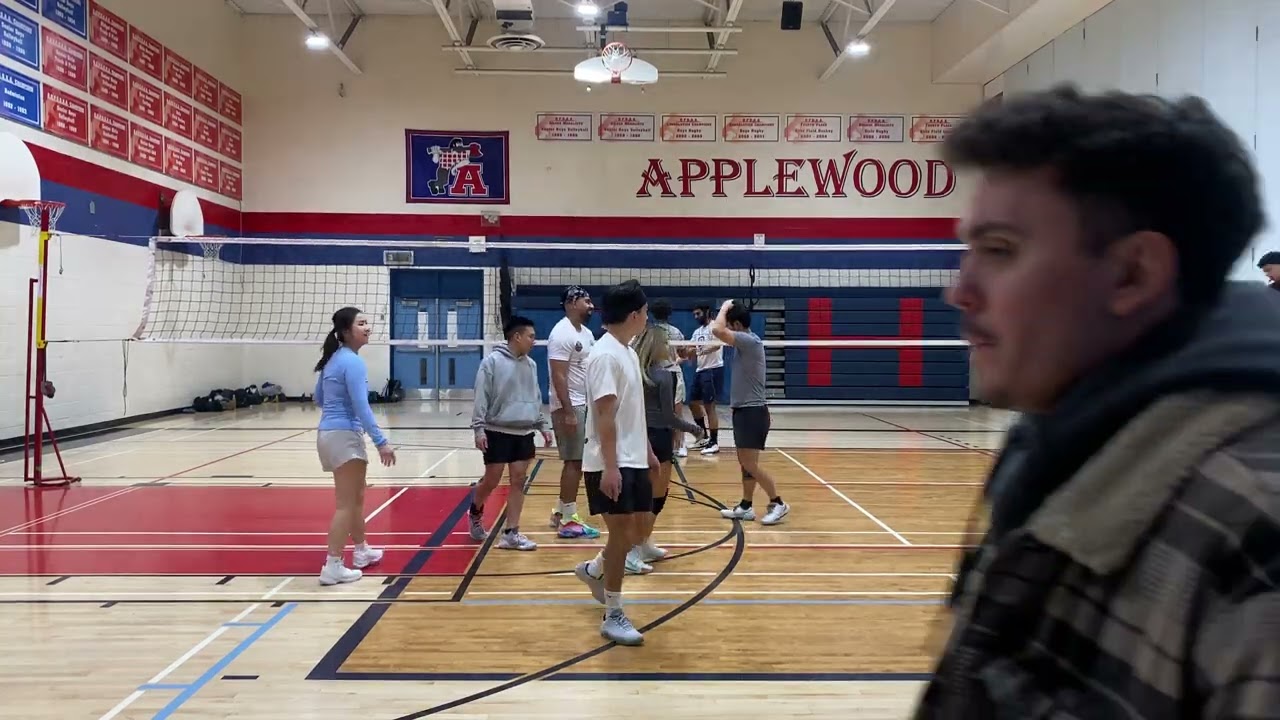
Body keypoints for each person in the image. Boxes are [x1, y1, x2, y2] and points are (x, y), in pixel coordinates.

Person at [915, 85, 1280, 717]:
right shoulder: (1064, 443)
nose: (961, 290)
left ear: (1133, 274)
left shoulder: (1255, 528)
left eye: (1000, 250)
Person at [574, 280, 659, 646]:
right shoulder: (606, 355)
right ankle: (613, 613)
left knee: (635, 533)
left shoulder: (626, 350)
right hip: (611, 461)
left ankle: (594, 570)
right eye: (645, 311)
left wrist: (649, 452)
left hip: (633, 457)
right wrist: (610, 467)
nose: (647, 317)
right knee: (623, 535)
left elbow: (628, 413)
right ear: (636, 314)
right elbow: (604, 416)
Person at [313, 307, 396, 586]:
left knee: (356, 498)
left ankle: (361, 551)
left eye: (367, 322)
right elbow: (362, 407)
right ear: (347, 331)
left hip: (329, 433)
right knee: (345, 505)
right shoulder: (352, 362)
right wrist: (381, 442)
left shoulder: (334, 359)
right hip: (344, 435)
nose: (368, 327)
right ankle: (332, 565)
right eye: (362, 324)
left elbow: (318, 397)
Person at [468, 315, 554, 551]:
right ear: (516, 336)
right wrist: (479, 429)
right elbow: (481, 396)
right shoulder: (492, 362)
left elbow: (535, 396)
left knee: (518, 480)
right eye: (531, 337)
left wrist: (542, 426)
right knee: (492, 480)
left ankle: (511, 533)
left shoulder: (531, 364)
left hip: (524, 431)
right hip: (497, 431)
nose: (534, 341)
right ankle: (475, 509)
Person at [632, 324, 705, 571]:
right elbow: (668, 417)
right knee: (656, 496)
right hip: (659, 436)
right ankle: (635, 547)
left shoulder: (639, 371)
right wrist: (694, 429)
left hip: (640, 435)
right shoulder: (664, 376)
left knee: (647, 495)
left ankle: (643, 543)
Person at [709, 300, 789, 525]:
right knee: (745, 463)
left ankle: (778, 502)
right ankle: (746, 506)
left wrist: (724, 307)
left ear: (736, 323)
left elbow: (716, 330)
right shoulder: (745, 343)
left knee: (750, 464)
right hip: (745, 411)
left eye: (730, 323)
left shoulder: (748, 340)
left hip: (752, 412)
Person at [546, 285, 601, 539]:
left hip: (584, 403)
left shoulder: (587, 333)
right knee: (574, 462)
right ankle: (568, 520)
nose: (590, 305)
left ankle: (560, 511)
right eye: (586, 301)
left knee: (578, 461)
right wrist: (567, 411)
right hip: (570, 405)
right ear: (570, 303)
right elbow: (559, 375)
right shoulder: (561, 333)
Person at [649, 299, 691, 458]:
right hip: (672, 373)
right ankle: (680, 445)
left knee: (657, 411)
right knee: (676, 411)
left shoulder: (649, 332)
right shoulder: (675, 331)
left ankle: (672, 445)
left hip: (655, 374)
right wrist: (688, 352)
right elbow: (684, 353)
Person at [687, 303, 724, 454]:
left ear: (707, 312)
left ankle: (714, 442)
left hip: (713, 369)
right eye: (694, 315)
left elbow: (716, 345)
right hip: (700, 370)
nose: (696, 317)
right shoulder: (697, 331)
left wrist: (699, 350)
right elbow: (691, 347)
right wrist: (686, 350)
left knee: (709, 407)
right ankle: (703, 437)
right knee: (692, 403)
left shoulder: (715, 327)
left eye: (698, 314)